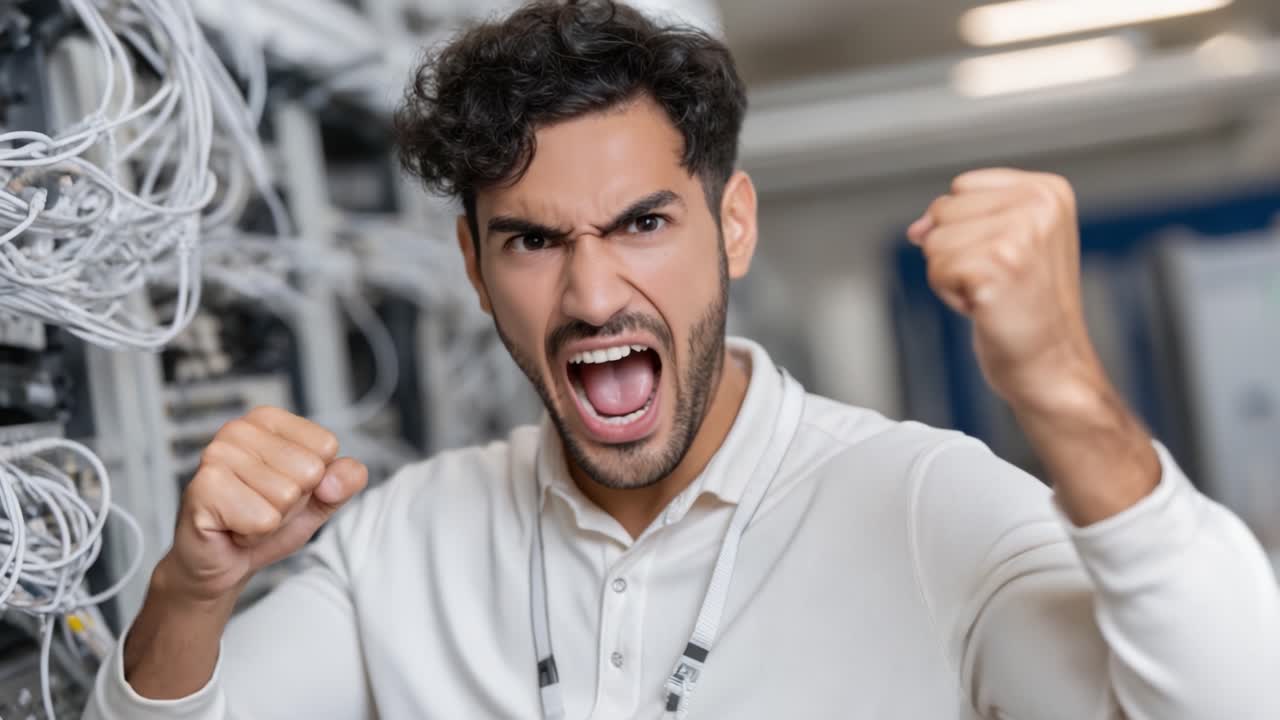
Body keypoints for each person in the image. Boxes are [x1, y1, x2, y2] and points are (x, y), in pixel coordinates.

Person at [86, 2, 1280, 719]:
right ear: (471, 264)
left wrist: (1064, 398)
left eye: (642, 225)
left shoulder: (922, 507)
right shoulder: (404, 543)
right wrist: (193, 592)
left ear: (735, 226)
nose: (593, 292)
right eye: (533, 242)